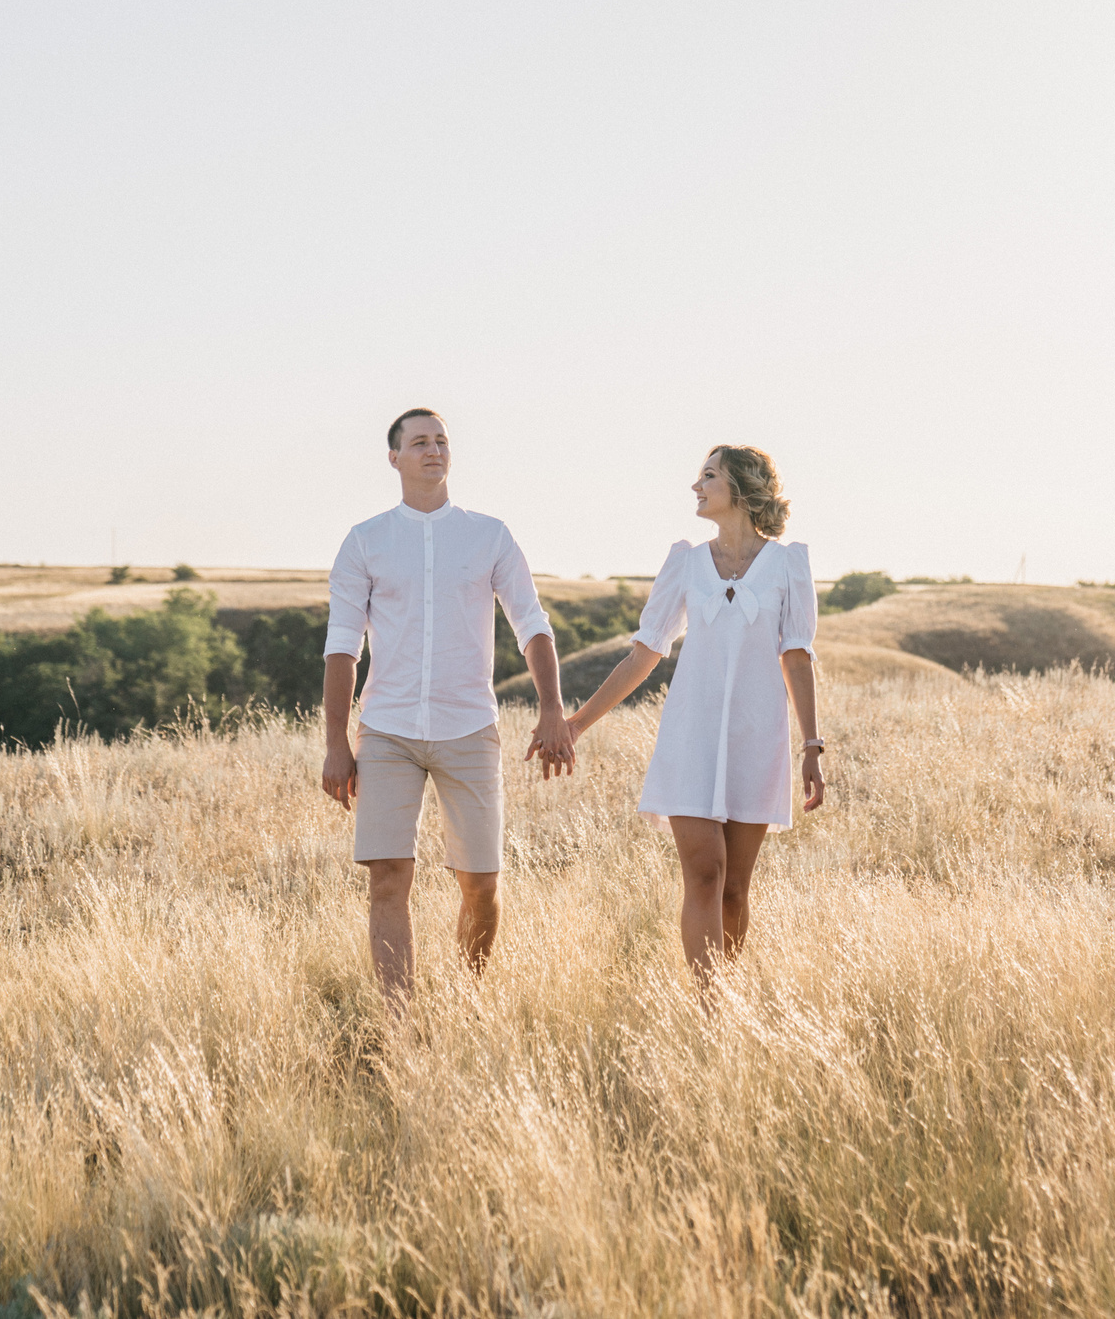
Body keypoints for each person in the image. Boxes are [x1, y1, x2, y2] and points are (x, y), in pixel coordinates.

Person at [320, 407, 574, 1012]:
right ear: (395, 458)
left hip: (470, 727)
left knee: (482, 884)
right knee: (388, 878)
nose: (433, 450)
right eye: (419, 442)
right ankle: (400, 1022)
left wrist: (553, 710)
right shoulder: (365, 541)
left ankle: (467, 1004)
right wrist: (336, 743)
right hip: (388, 731)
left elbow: (532, 626)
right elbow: (341, 647)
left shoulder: (489, 535)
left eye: (441, 441)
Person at [561, 445, 825, 988]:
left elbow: (796, 657)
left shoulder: (788, 564)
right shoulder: (685, 561)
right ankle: (708, 1008)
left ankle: (725, 995)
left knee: (734, 890)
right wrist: (577, 723)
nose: (695, 486)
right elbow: (645, 653)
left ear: (744, 488)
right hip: (691, 737)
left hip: (758, 739)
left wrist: (812, 747)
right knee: (705, 874)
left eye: (708, 476)